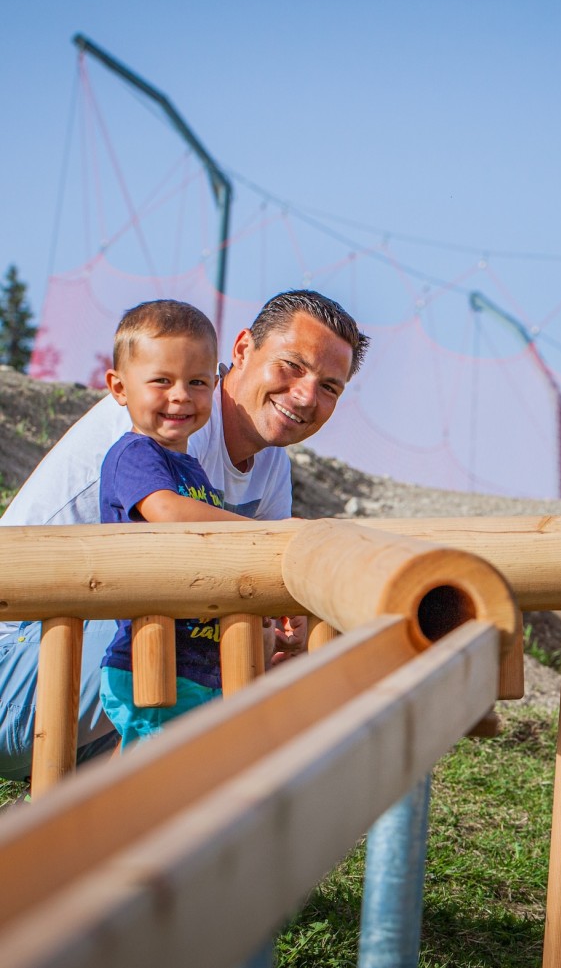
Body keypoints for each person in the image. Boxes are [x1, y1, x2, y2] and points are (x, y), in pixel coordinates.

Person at [0, 289, 369, 778]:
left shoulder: (271, 465)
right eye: (291, 366)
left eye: (329, 386)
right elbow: (178, 524)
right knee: (201, 621)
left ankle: (105, 804)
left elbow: (268, 583)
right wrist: (283, 541)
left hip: (100, 685)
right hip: (19, 665)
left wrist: (288, 627)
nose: (305, 396)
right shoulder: (159, 421)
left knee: (274, 646)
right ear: (241, 351)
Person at [98, 300, 257, 745]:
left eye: (198, 382)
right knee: (157, 787)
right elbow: (167, 513)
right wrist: (260, 533)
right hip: (152, 659)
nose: (181, 395)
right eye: (161, 381)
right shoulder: (134, 454)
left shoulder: (191, 468)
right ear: (119, 387)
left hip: (197, 661)